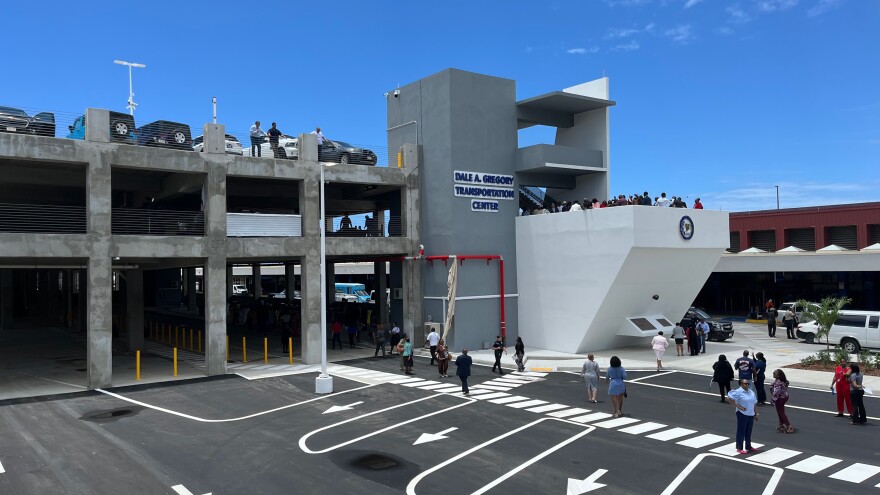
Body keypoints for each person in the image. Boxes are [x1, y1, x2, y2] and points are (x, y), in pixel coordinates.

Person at [727, 379, 760, 455]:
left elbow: (754, 403)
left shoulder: (751, 392)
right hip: (742, 414)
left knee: (748, 431)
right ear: (741, 384)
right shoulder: (738, 392)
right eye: (745, 383)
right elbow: (729, 399)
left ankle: (748, 446)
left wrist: (757, 413)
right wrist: (738, 407)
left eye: (748, 383)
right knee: (741, 430)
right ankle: (739, 447)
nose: (747, 385)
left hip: (750, 414)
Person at [770, 369, 795, 433]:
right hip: (785, 396)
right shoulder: (781, 380)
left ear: (778, 376)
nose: (773, 374)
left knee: (781, 413)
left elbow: (776, 394)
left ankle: (789, 426)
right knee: (780, 412)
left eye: (774, 373)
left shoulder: (778, 383)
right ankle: (781, 425)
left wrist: (772, 400)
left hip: (780, 399)